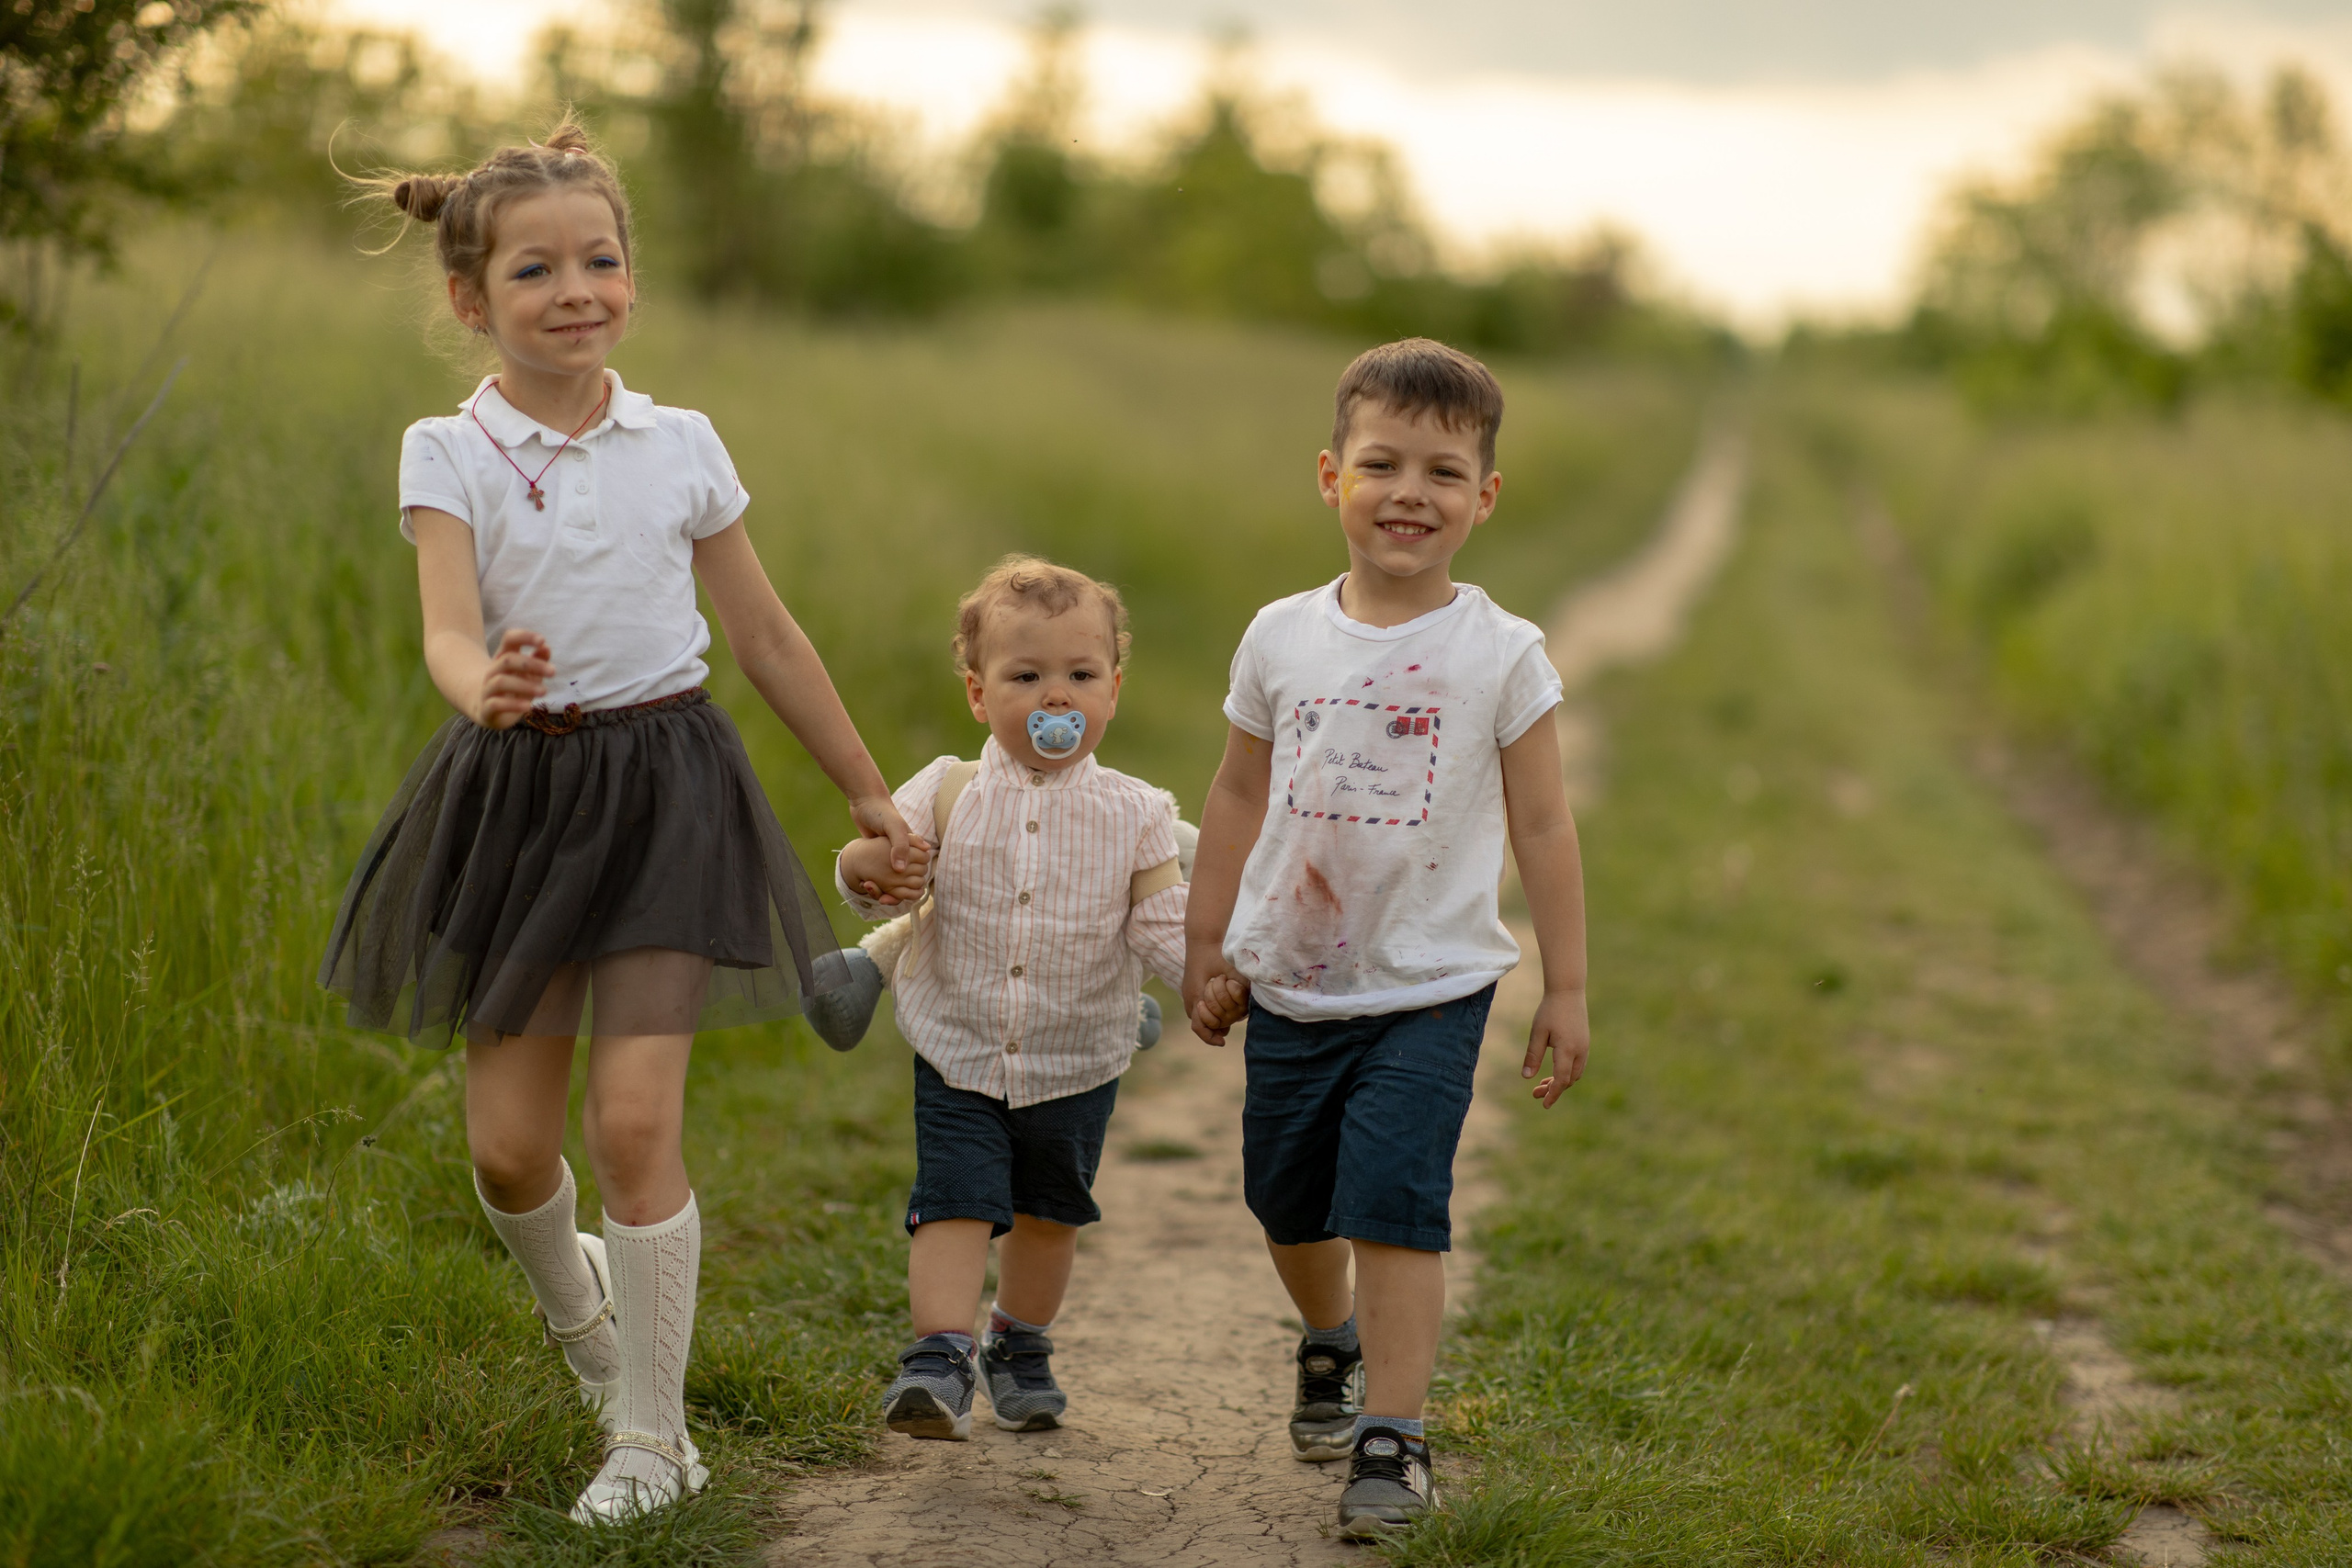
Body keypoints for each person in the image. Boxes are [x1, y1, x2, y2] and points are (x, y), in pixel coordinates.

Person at [318, 124, 919, 1524]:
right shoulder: (446, 448)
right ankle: (589, 1326)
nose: (576, 288)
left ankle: (655, 1440)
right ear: (474, 300)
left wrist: (867, 784)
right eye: (537, 268)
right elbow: (449, 633)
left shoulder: (682, 443)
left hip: (665, 786)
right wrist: (494, 692)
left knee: (636, 1119)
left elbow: (763, 631)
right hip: (515, 795)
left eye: (601, 259)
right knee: (511, 1152)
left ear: (631, 279)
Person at [1182, 338, 1591, 1539]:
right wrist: (1211, 941)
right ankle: (1331, 1340)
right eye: (1382, 462)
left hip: (1431, 981)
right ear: (1330, 476)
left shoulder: (1501, 652)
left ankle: (1393, 1437)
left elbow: (1547, 822)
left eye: (1444, 471)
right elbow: (1237, 796)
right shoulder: (1279, 636)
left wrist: (1565, 983)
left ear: (1485, 496)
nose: (1411, 490)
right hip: (1296, 977)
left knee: (1396, 1199)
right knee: (1286, 1201)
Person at [835, 556, 1188, 1441]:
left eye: (1080, 674)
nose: (1053, 697)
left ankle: (1019, 1343)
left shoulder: (1139, 812)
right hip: (958, 1042)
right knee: (953, 1197)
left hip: (1078, 1055)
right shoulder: (948, 789)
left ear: (1115, 688)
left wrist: (1212, 983)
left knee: (1049, 1213)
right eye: (1024, 676)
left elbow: (1162, 924)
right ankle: (939, 1353)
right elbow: (870, 870)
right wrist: (872, 871)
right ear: (977, 692)